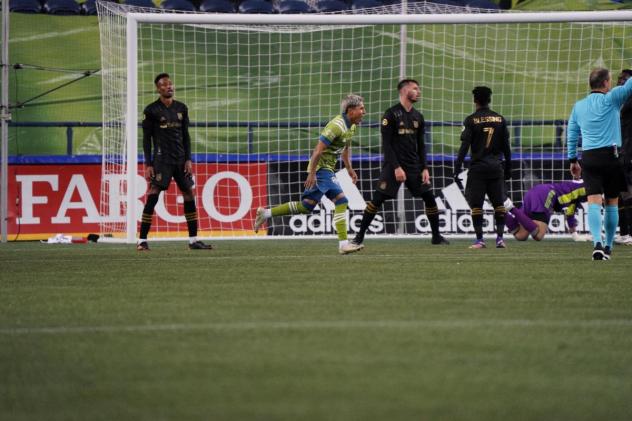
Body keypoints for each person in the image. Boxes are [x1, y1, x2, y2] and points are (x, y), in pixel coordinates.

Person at [253, 94, 366, 255]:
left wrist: (348, 168)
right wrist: (312, 173)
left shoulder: (352, 126)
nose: (364, 111)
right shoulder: (336, 126)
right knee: (342, 201)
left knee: (306, 206)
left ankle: (265, 213)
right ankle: (343, 244)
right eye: (361, 108)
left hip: (327, 169)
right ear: (351, 110)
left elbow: (345, 147)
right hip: (321, 169)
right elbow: (317, 151)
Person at [351, 79, 449, 247]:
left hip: (414, 167)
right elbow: (386, 146)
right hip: (393, 166)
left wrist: (424, 167)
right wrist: (396, 167)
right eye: (415, 89)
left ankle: (436, 236)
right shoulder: (390, 114)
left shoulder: (418, 116)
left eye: (418, 89)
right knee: (377, 200)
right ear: (404, 91)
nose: (418, 91)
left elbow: (421, 145)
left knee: (430, 198)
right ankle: (358, 237)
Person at [137, 73, 213, 251]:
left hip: (180, 160)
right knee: (153, 193)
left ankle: (193, 240)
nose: (169, 86)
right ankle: (142, 240)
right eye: (164, 84)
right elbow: (146, 139)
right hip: (161, 160)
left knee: (189, 193)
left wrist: (188, 159)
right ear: (158, 88)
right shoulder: (151, 110)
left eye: (170, 84)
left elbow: (186, 136)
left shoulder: (181, 108)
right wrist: (148, 164)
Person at [567, 67, 632, 260]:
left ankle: (597, 243)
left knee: (594, 201)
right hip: (611, 157)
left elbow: (571, 134)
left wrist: (573, 160)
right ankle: (609, 247)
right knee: (612, 202)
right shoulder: (612, 99)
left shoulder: (579, 106)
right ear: (605, 83)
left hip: (589, 158)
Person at [453, 86, 511, 249]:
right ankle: (500, 239)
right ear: (489, 99)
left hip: (478, 168)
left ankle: (480, 240)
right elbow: (506, 148)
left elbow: (464, 147)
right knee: (498, 204)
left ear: (475, 100)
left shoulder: (470, 120)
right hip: (495, 168)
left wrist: (457, 168)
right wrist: (508, 169)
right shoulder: (500, 119)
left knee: (476, 205)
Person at [503, 180, 589, 241]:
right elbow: (582, 188)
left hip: (534, 192)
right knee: (539, 235)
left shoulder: (576, 197)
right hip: (546, 194)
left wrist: (575, 236)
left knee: (521, 236)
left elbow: (570, 213)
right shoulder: (587, 188)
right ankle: (511, 208)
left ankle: (500, 210)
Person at [614, 69, 632, 246]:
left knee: (629, 191)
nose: (620, 81)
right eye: (619, 79)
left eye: (624, 79)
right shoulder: (619, 100)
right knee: (621, 192)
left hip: (629, 150)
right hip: (621, 151)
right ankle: (625, 232)